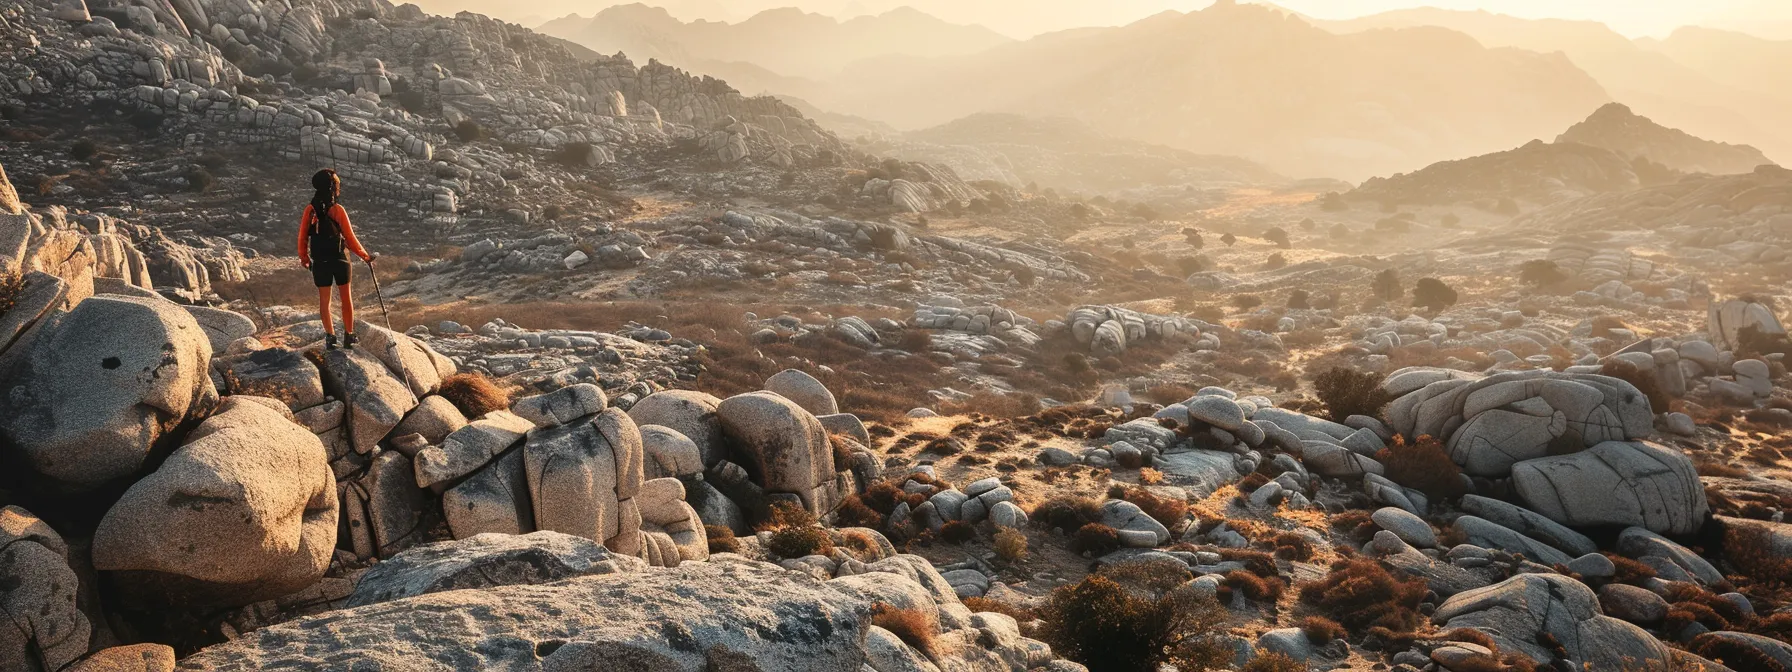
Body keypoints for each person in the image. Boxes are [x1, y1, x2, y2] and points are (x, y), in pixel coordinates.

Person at [297, 169, 376, 349]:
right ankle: (349, 335)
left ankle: (330, 337)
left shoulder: (310, 210)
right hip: (340, 259)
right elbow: (350, 238)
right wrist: (365, 257)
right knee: (346, 298)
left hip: (320, 261)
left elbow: (302, 237)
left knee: (325, 301)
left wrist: (304, 258)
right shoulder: (338, 209)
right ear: (332, 187)